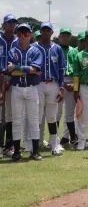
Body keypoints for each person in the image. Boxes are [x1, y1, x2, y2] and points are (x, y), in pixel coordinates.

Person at [7, 24, 43, 161]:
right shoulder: (12, 51)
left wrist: (17, 67)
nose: (23, 36)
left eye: (26, 33)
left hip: (32, 87)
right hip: (16, 87)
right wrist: (28, 69)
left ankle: (35, 151)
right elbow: (9, 70)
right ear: (17, 35)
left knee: (34, 120)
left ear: (31, 35)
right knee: (17, 121)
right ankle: (16, 151)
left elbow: (36, 70)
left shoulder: (36, 51)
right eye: (20, 33)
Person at [33, 22, 65, 156]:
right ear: (40, 31)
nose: (46, 32)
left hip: (53, 83)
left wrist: (62, 87)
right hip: (38, 84)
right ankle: (33, 145)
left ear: (52, 32)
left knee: (52, 116)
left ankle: (54, 145)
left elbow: (61, 69)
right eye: (44, 30)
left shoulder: (57, 48)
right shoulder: (33, 47)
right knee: (37, 116)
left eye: (48, 30)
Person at [0, 14, 18, 158]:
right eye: (9, 22)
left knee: (10, 114)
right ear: (4, 24)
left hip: (13, 80)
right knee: (0, 114)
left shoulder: (18, 41)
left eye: (14, 22)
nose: (12, 25)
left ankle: (9, 146)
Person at [58, 27, 78, 147]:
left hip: (71, 81)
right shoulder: (55, 49)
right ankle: (53, 140)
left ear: (70, 37)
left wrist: (74, 84)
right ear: (59, 36)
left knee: (70, 112)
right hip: (59, 82)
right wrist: (63, 84)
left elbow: (77, 69)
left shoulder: (74, 51)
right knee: (57, 112)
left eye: (67, 35)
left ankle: (72, 138)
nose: (65, 37)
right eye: (63, 35)